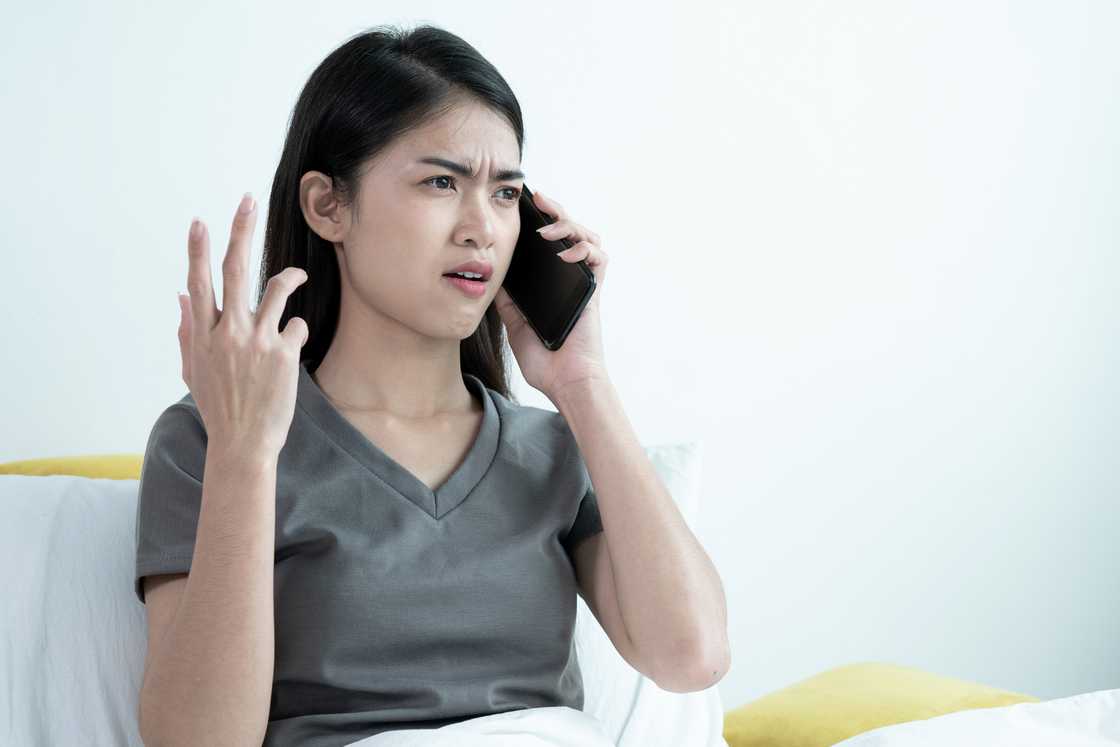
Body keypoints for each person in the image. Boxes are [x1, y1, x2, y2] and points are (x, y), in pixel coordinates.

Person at [134, 23, 612, 747]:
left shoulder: (551, 449)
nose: (482, 227)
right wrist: (244, 453)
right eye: (441, 182)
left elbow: (693, 652)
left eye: (507, 193)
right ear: (328, 205)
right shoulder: (208, 436)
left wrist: (583, 382)